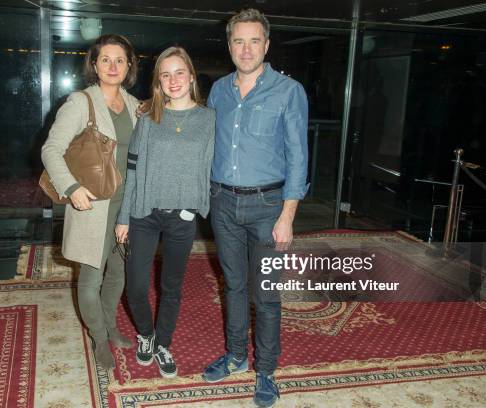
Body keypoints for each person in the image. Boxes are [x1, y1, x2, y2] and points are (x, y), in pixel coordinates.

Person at [201, 9, 309, 408]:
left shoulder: (288, 91)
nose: (246, 49)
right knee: (233, 286)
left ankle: (265, 370)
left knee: (265, 295)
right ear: (229, 45)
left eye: (254, 41)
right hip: (223, 203)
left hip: (268, 207)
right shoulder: (218, 91)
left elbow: (299, 158)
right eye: (238, 41)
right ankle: (234, 356)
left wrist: (288, 216)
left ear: (266, 44)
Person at [41, 34, 140, 370]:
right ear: (94, 65)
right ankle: (99, 337)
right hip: (93, 205)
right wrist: (71, 187)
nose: (113, 66)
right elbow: (51, 150)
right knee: (91, 277)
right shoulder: (80, 102)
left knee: (118, 274)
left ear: (129, 66)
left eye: (120, 60)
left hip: (126, 206)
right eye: (105, 59)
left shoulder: (134, 105)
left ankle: (111, 326)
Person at [115, 46, 215, 379]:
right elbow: (132, 170)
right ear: (158, 81)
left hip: (181, 218)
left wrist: (198, 207)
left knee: (172, 287)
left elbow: (210, 168)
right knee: (137, 287)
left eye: (179, 72)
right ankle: (146, 333)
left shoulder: (209, 119)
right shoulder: (148, 117)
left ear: (191, 76)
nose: (173, 81)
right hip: (144, 213)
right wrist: (123, 217)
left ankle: (163, 343)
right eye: (165, 74)